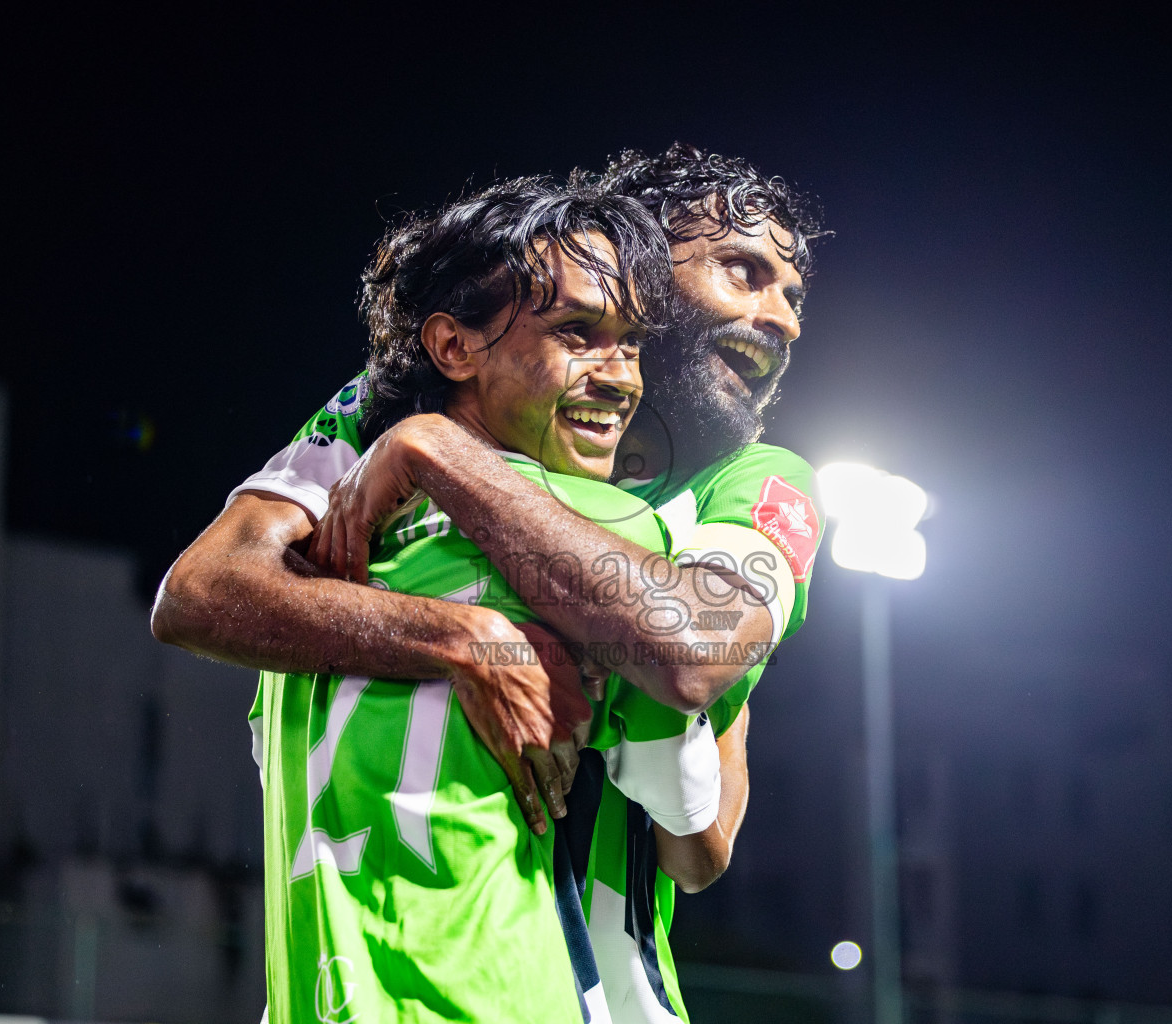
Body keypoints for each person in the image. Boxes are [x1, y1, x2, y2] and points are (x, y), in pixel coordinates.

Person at [167, 175, 731, 1023]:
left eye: (632, 343)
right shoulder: (607, 537)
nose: (621, 377)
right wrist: (464, 638)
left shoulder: (309, 569)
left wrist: (428, 444)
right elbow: (697, 843)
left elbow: (203, 595)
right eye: (577, 333)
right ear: (453, 347)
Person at [306, 143, 828, 1022]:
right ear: (640, 263)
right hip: (369, 975)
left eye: (793, 295)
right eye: (743, 272)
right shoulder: (396, 400)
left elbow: (702, 837)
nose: (783, 320)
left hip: (586, 994)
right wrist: (464, 638)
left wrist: (437, 456)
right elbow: (202, 594)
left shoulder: (749, 483)